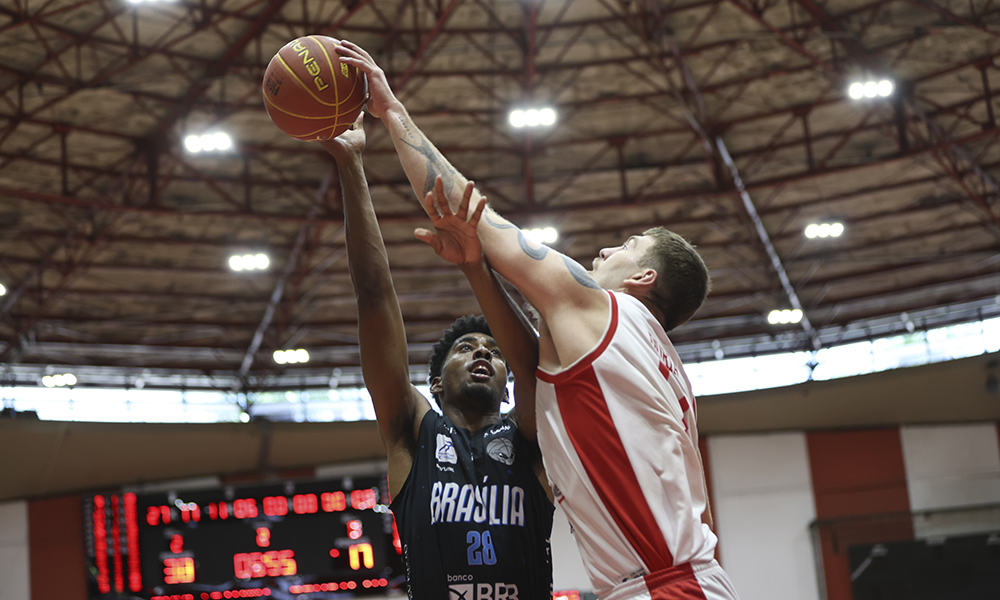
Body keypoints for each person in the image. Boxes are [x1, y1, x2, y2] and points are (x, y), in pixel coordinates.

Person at [334, 42, 741, 600]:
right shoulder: (651, 361)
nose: (603, 251)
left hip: (663, 586)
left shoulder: (603, 309)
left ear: (644, 279)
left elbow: (476, 217)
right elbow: (530, 364)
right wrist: (476, 270)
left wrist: (391, 112)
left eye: (626, 245)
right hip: (664, 581)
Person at [321, 113, 554, 600]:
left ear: (508, 386)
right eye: (466, 348)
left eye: (492, 351)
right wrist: (351, 163)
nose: (482, 354)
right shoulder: (412, 430)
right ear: (436, 384)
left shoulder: (532, 438)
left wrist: (479, 270)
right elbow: (373, 296)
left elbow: (534, 368)